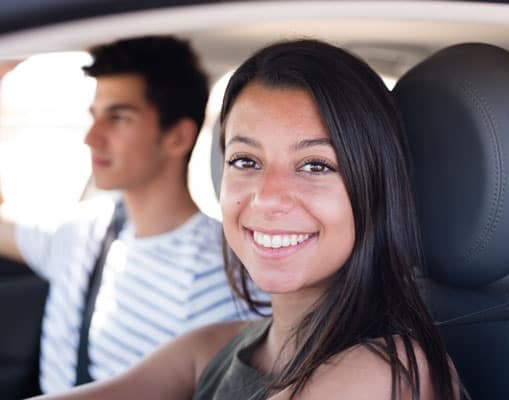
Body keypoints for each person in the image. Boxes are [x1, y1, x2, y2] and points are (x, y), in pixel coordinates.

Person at [30, 38, 460, 400]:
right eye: (245, 160)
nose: (267, 197)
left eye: (315, 165)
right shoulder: (219, 346)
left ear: (375, 186)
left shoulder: (387, 372)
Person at [0, 36, 254, 394]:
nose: (92, 137)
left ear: (177, 138)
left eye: (118, 117)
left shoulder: (222, 275)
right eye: (94, 116)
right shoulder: (85, 231)